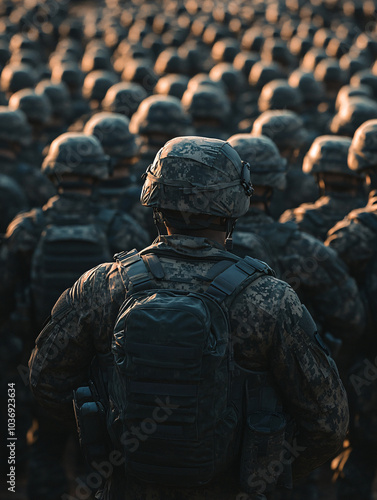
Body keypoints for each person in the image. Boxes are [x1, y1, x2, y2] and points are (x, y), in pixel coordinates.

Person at [29, 136, 348, 500]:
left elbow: (45, 380)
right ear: (235, 205)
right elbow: (327, 422)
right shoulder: (270, 299)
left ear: (154, 199)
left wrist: (110, 444)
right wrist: (256, 469)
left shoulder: (102, 285)